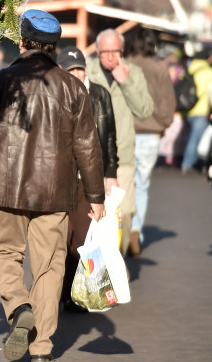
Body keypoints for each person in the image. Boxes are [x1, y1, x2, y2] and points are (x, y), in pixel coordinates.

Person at [0, 10, 105, 362]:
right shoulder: (74, 87)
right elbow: (87, 145)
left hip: (5, 189)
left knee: (5, 254)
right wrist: (96, 197)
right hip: (56, 193)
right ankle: (42, 346)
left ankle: (18, 306)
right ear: (54, 47)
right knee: (50, 266)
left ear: (22, 42)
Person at [56, 46, 118, 308]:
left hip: (87, 178)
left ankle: (76, 291)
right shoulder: (55, 95)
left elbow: (110, 137)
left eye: (80, 68)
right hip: (59, 178)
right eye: (71, 70)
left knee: (81, 238)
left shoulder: (99, 94)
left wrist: (111, 174)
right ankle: (59, 292)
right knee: (60, 238)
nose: (77, 74)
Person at [86, 29, 153, 256]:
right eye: (106, 51)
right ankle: (94, 267)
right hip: (91, 155)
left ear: (122, 51)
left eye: (116, 51)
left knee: (123, 213)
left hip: (122, 155)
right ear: (98, 51)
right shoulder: (87, 71)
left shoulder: (133, 73)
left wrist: (125, 81)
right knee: (91, 214)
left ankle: (117, 261)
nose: (111, 56)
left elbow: (144, 110)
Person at [125, 29, 176, 255]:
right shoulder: (160, 70)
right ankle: (136, 231)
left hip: (125, 133)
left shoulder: (123, 66)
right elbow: (168, 105)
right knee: (142, 186)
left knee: (121, 184)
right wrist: (161, 125)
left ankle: (121, 232)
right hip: (151, 134)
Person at [179, 49, 212, 173]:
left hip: (187, 109)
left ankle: (183, 160)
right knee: (196, 138)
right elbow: (207, 92)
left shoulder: (189, 69)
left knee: (188, 136)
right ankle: (187, 164)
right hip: (201, 110)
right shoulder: (208, 72)